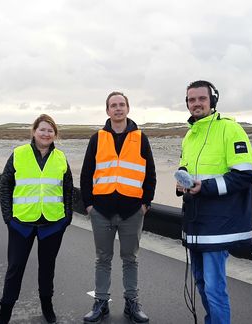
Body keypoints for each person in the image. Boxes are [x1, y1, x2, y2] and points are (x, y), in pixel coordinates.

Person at [176, 80, 252, 324]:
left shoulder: (230, 129)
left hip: (219, 224)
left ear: (213, 101)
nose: (196, 103)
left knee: (214, 287)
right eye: (192, 99)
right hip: (195, 222)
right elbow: (187, 168)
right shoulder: (190, 135)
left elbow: (244, 174)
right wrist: (182, 183)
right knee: (200, 281)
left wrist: (206, 187)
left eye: (201, 98)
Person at [80, 91, 156, 323]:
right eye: (113, 105)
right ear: (107, 111)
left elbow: (150, 174)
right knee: (102, 258)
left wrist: (145, 204)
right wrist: (90, 205)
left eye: (121, 104)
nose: (118, 108)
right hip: (101, 211)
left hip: (132, 211)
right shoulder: (97, 138)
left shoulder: (140, 138)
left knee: (130, 258)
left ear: (127, 108)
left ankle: (131, 303)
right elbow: (86, 173)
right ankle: (101, 303)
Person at [0, 114, 73, 324]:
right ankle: (5, 313)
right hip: (21, 224)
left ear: (55, 134)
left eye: (50, 130)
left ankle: (47, 308)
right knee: (15, 268)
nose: (46, 134)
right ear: (34, 131)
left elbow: (68, 190)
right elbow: (5, 186)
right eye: (42, 129)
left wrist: (67, 218)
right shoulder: (18, 154)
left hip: (52, 224)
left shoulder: (60, 157)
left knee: (47, 269)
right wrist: (8, 217)